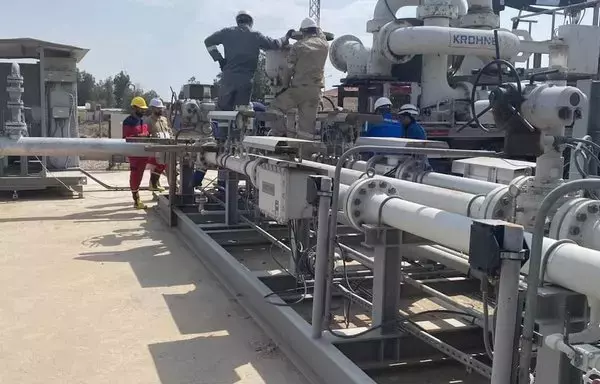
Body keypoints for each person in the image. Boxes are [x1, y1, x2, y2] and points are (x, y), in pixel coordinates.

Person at [204, 10, 290, 111]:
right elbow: (274, 44)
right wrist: (286, 37)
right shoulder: (256, 35)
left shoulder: (226, 32)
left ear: (238, 21)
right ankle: (241, 126)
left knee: (223, 113)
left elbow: (208, 41)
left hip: (228, 80)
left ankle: (224, 126)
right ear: (250, 22)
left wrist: (219, 59)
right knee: (243, 114)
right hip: (245, 82)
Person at [268, 17, 329, 140]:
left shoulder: (298, 46)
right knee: (306, 129)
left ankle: (280, 135)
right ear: (316, 30)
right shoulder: (325, 45)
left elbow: (288, 69)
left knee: (274, 108)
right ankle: (305, 156)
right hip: (315, 92)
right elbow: (321, 35)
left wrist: (283, 87)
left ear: (303, 32)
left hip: (298, 90)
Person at [122, 96, 165, 209]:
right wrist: (141, 136)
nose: (143, 111)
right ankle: (136, 200)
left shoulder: (142, 121)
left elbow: (146, 134)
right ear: (134, 108)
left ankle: (154, 183)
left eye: (143, 109)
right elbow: (127, 137)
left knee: (162, 161)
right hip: (135, 155)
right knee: (136, 176)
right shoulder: (128, 122)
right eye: (141, 109)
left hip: (145, 153)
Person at [146, 98, 173, 195]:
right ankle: (154, 187)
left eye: (161, 108)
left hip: (167, 148)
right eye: (158, 108)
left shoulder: (164, 120)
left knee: (170, 169)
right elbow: (146, 135)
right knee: (155, 169)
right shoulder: (148, 121)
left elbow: (169, 131)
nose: (160, 110)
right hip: (156, 149)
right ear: (152, 108)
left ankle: (173, 189)